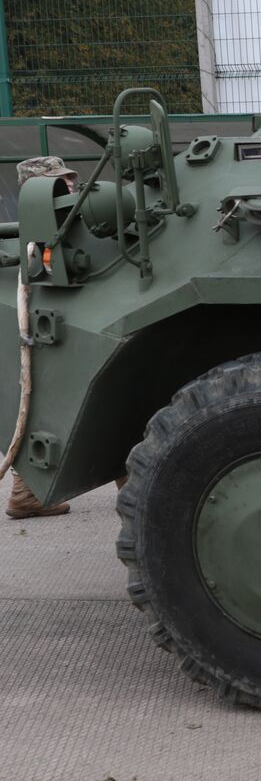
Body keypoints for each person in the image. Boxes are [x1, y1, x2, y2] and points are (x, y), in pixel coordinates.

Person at [6, 157, 80, 519]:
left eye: (68, 180)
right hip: (47, 325)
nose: (69, 187)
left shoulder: (64, 221)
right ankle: (25, 493)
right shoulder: (39, 229)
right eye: (58, 182)